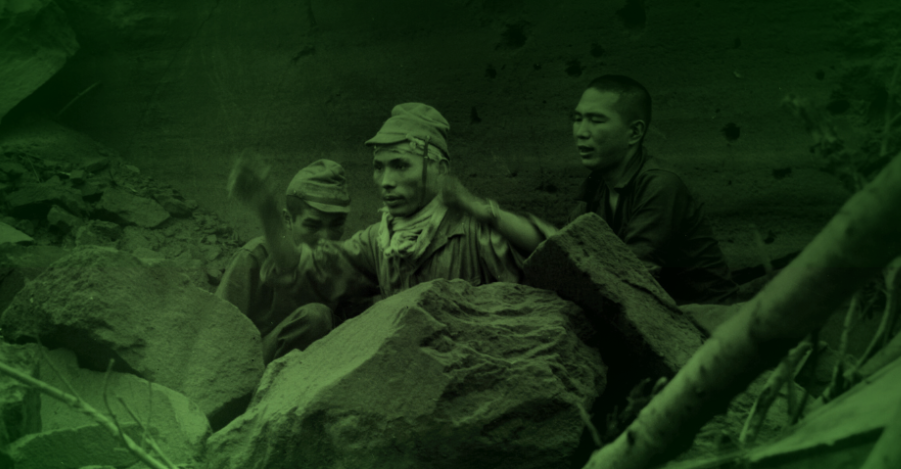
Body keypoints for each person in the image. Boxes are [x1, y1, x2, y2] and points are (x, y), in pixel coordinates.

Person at [227, 103, 556, 305]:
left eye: (400, 165)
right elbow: (302, 270)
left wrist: (482, 211)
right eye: (379, 166)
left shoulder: (472, 232)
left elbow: (562, 257)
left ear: (439, 169)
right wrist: (266, 209)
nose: (384, 180)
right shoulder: (378, 241)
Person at [570, 74, 739, 305]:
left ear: (635, 133)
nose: (581, 131)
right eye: (577, 118)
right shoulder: (594, 186)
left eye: (596, 120)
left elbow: (633, 275)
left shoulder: (661, 185)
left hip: (707, 321)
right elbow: (568, 250)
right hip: (648, 315)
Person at [216, 159, 367, 364]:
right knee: (316, 317)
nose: (326, 237)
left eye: (336, 225)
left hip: (317, 375)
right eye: (313, 225)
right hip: (247, 370)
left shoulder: (345, 268)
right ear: (287, 220)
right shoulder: (255, 256)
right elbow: (216, 331)